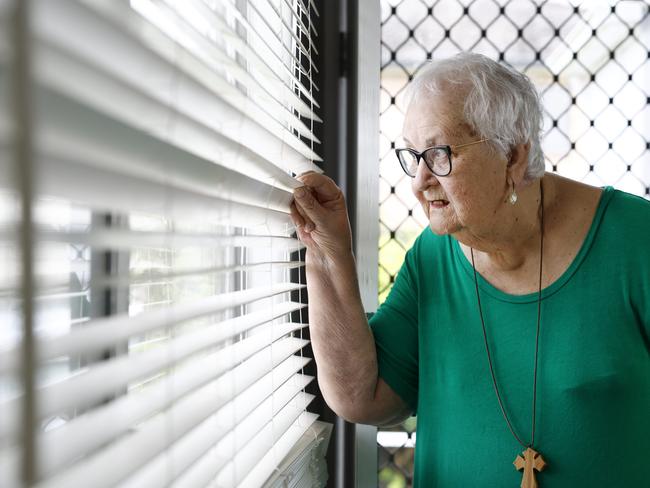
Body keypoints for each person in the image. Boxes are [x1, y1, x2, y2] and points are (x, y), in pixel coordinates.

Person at [289, 52, 650, 487]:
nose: (420, 180)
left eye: (440, 154)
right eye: (413, 156)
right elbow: (363, 397)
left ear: (513, 157)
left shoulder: (635, 241)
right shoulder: (432, 256)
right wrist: (328, 253)